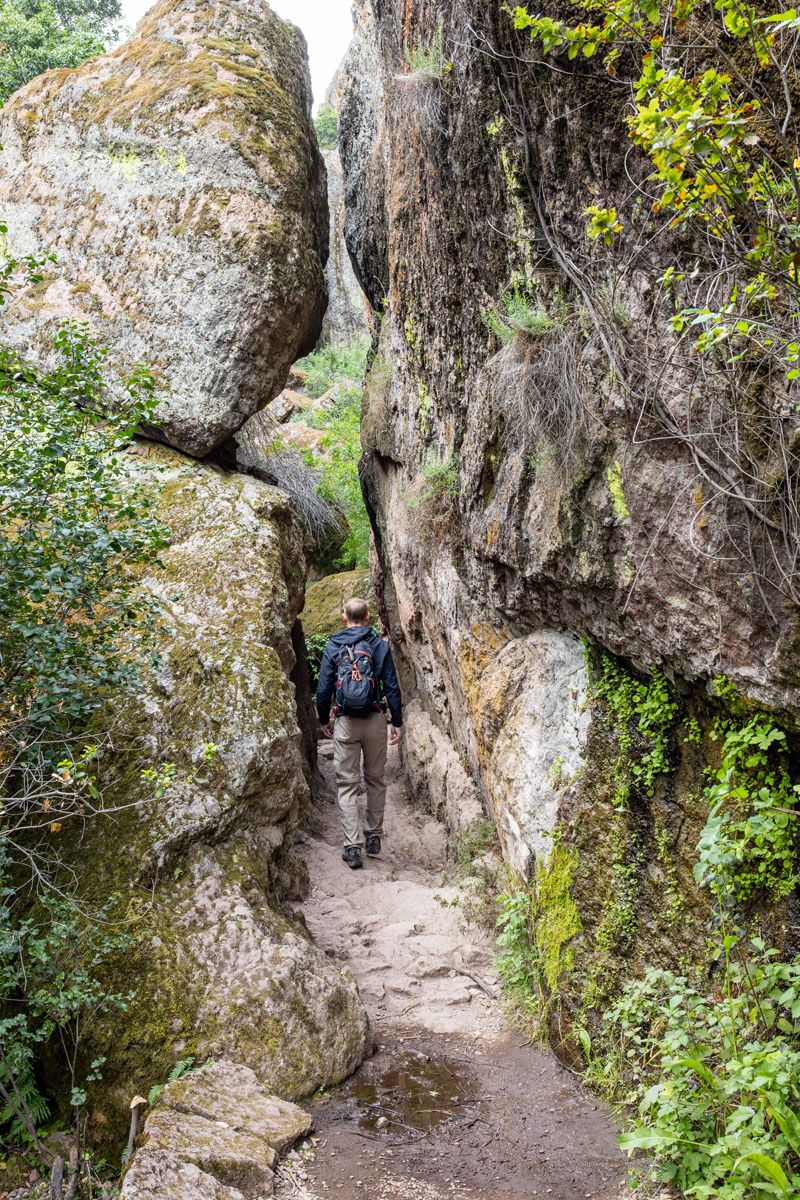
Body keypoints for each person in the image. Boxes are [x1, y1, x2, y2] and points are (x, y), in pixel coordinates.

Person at [315, 597, 403, 870]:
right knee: (375, 779)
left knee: (347, 784)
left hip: (345, 721)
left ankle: (352, 847)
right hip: (375, 719)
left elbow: (324, 688)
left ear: (344, 617)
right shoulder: (379, 646)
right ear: (367, 617)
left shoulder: (333, 646)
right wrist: (396, 722)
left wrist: (323, 719)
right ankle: (373, 838)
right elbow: (391, 686)